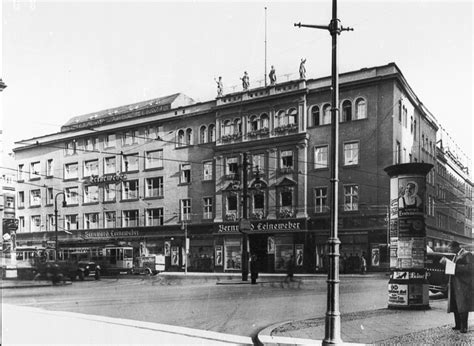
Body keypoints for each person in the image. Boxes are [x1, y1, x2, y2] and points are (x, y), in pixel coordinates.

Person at [440, 241, 473, 333]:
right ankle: (458, 325)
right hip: (455, 284)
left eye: (450, 248)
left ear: (456, 247)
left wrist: (454, 266)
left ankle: (464, 327)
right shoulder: (456, 255)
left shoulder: (467, 254)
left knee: (463, 306)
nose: (449, 250)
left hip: (463, 285)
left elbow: (470, 268)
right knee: (455, 305)